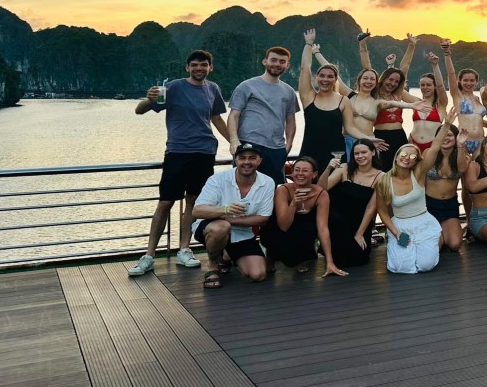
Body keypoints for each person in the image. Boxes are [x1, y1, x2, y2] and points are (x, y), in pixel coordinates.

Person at [128, 49, 228, 276]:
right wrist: (149, 99)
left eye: (203, 65)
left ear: (210, 67)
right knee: (165, 202)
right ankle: (149, 255)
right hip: (177, 151)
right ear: (187, 68)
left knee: (193, 202)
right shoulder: (172, 87)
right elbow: (139, 110)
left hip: (204, 152)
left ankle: (184, 249)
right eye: (194, 65)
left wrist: (234, 141)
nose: (199, 69)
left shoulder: (213, 89)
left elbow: (216, 118)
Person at [190, 142, 276, 288]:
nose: (247, 162)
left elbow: (263, 218)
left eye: (252, 158)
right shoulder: (218, 179)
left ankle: (225, 256)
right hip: (212, 227)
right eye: (242, 158)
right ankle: (212, 266)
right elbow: (197, 211)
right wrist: (225, 210)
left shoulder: (267, 182)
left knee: (258, 274)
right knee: (221, 228)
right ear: (235, 160)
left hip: (242, 233)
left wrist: (230, 219)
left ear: (259, 160)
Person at [260, 156, 347, 276]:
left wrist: (329, 262)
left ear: (314, 174)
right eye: (297, 170)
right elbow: (283, 226)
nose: (300, 173)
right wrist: (294, 203)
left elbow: (323, 228)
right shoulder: (283, 190)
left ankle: (300, 258)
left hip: (301, 233)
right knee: (280, 242)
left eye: (305, 171)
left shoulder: (321, 193)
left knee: (311, 228)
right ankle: (271, 257)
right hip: (278, 230)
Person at [228, 46, 300, 181]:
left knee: (274, 188)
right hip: (249, 144)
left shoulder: (289, 91)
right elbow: (233, 115)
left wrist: (288, 145)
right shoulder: (246, 86)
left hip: (276, 148)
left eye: (282, 61)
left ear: (287, 65)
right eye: (273, 60)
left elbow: (290, 120)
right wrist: (234, 140)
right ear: (265, 61)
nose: (277, 64)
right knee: (243, 186)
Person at [375, 144, 444, 274]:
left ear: (415, 162)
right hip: (400, 226)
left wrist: (446, 125)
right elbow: (382, 211)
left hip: (423, 223)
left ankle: (434, 240)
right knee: (400, 267)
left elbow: (434, 149)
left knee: (426, 265)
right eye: (403, 154)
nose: (407, 158)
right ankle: (414, 247)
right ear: (396, 157)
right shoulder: (383, 181)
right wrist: (396, 233)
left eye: (412, 156)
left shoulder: (418, 174)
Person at [321, 139, 382, 268]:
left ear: (373, 152)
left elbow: (372, 207)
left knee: (359, 259)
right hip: (337, 221)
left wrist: (360, 234)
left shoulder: (380, 177)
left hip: (359, 222)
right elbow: (321, 189)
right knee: (340, 260)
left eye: (364, 152)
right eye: (356, 153)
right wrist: (328, 168)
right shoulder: (344, 168)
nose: (360, 156)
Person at [298, 29, 348, 170]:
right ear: (316, 77)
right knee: (307, 189)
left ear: (335, 80)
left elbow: (350, 128)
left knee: (336, 190)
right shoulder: (309, 97)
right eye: (322, 76)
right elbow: (304, 68)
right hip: (310, 153)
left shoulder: (343, 100)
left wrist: (369, 138)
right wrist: (308, 44)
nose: (326, 79)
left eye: (330, 76)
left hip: (336, 154)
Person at [420, 107, 466, 251]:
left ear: (456, 137)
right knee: (436, 246)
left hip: (450, 205)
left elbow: (462, 169)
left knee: (455, 244)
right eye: (443, 134)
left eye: (450, 135)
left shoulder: (462, 155)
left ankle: (446, 229)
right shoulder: (429, 152)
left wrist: (460, 145)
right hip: (429, 205)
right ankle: (437, 231)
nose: (446, 137)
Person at [442, 40, 485, 154]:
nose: (468, 83)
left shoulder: (477, 99)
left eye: (472, 80)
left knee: (478, 170)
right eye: (465, 80)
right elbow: (451, 73)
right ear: (459, 81)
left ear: (476, 82)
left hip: (480, 141)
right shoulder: (457, 96)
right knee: (464, 170)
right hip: (464, 141)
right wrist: (447, 54)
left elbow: (478, 119)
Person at [409, 52, 449, 150]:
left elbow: (441, 86)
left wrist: (435, 65)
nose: (425, 87)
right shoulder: (416, 102)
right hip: (413, 144)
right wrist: (391, 66)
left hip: (433, 146)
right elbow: (399, 90)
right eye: (422, 85)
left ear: (434, 86)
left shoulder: (440, 104)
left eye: (428, 85)